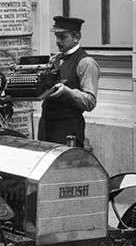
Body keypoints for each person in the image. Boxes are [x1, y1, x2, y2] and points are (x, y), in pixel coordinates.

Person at [37, 15, 99, 147]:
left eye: (63, 37)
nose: (58, 41)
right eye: (56, 37)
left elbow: (89, 102)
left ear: (76, 37)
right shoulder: (55, 59)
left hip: (68, 130)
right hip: (46, 127)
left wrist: (67, 91)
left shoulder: (86, 63)